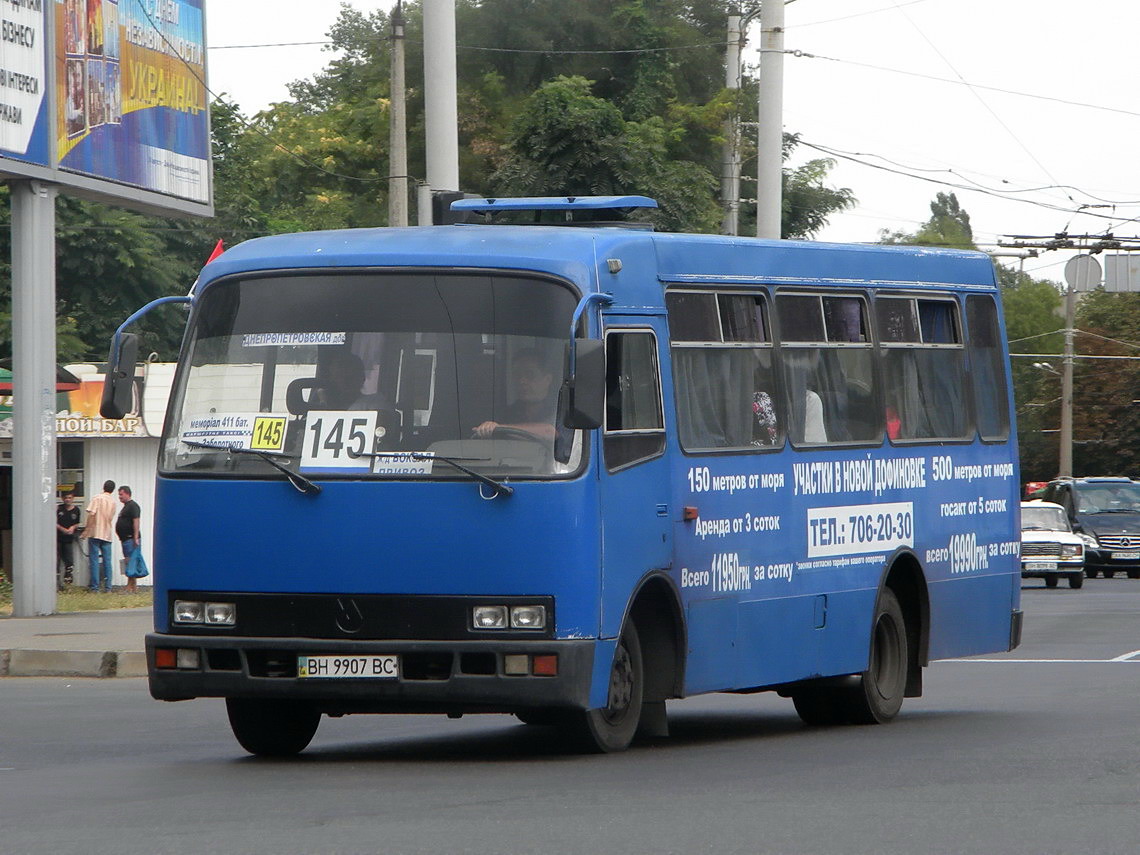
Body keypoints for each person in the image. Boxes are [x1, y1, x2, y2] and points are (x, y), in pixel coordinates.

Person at [472, 349, 558, 440]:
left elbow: (550, 432)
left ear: (547, 379)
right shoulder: (506, 414)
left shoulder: (560, 411)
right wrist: (487, 429)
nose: (522, 381)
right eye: (517, 375)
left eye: (530, 374)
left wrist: (499, 428)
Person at [83, 480, 116, 592]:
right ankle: (108, 587)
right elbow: (110, 518)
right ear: (112, 490)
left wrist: (86, 530)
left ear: (103, 487)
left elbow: (92, 514)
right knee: (107, 561)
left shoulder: (97, 498)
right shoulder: (113, 502)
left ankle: (95, 587)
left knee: (94, 560)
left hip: (95, 532)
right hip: (107, 534)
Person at [116, 486, 142, 594]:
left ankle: (129, 586)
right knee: (129, 562)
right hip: (125, 539)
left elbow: (136, 521)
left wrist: (135, 537)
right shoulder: (126, 507)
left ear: (127, 494)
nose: (119, 497)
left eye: (121, 494)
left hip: (131, 538)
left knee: (130, 562)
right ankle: (133, 587)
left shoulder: (133, 506)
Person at [55, 492, 81, 589]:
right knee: (56, 562)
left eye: (70, 498)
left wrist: (73, 527)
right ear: (62, 498)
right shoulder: (58, 509)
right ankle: (57, 585)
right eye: (66, 498)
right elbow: (53, 522)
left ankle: (68, 584)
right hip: (58, 539)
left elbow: (77, 523)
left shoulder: (76, 510)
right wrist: (63, 529)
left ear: (73, 498)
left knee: (69, 562)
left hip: (69, 540)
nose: (68, 500)